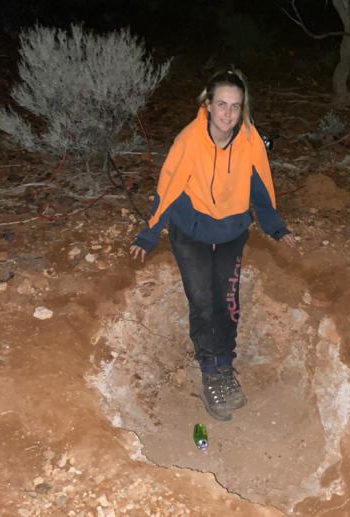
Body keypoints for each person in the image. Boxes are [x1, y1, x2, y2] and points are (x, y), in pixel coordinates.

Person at [129, 69, 296, 421]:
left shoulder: (249, 140)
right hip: (190, 232)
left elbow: (261, 188)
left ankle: (225, 363)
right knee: (203, 300)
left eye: (235, 107)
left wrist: (275, 227)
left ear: (242, 109)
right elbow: (168, 189)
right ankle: (209, 372)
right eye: (221, 104)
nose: (228, 114)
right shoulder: (189, 141)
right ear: (207, 104)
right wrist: (149, 233)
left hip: (232, 232)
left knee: (228, 300)